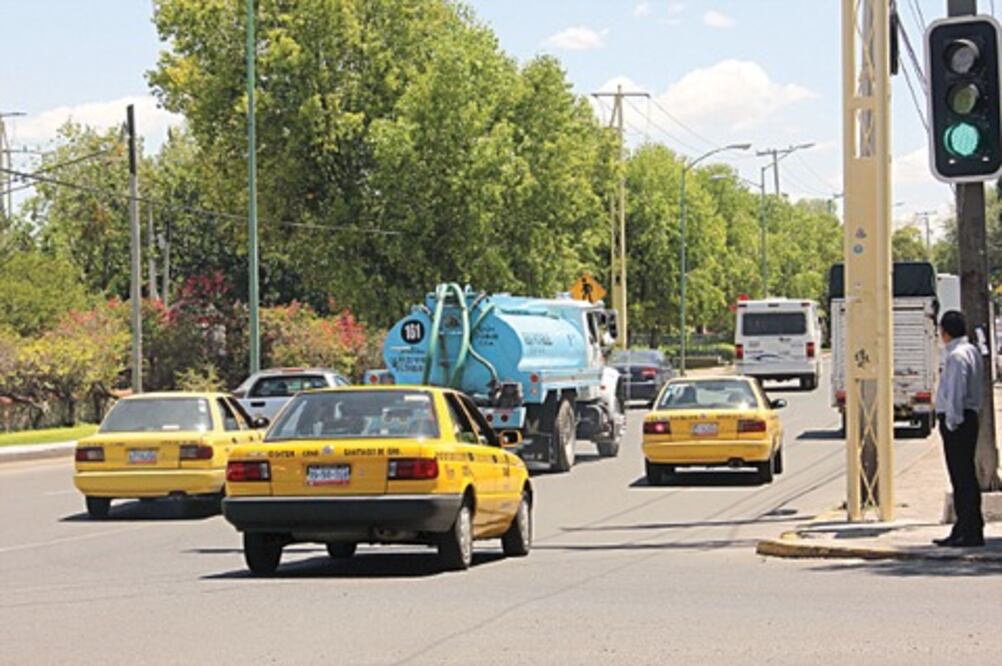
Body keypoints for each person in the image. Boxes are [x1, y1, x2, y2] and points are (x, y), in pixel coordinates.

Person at [933, 310, 985, 548]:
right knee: (965, 476)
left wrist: (952, 422)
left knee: (961, 477)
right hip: (970, 416)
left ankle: (969, 530)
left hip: (958, 420)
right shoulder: (971, 350)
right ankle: (966, 527)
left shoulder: (956, 356)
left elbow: (955, 392)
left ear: (945, 331)